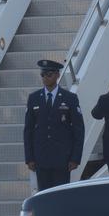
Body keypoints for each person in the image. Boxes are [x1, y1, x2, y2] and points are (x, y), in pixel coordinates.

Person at [23, 60, 85, 191]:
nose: (45, 78)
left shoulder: (70, 98)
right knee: (44, 195)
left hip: (62, 158)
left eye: (49, 74)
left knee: (60, 195)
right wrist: (29, 158)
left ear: (57, 75)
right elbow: (28, 130)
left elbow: (78, 129)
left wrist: (75, 158)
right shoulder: (34, 98)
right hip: (41, 157)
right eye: (43, 75)